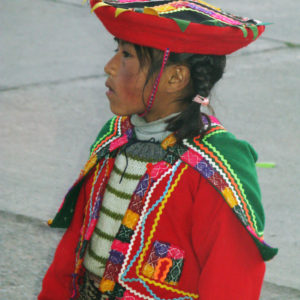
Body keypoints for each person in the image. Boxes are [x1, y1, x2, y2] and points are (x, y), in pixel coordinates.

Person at [39, 0, 278, 299]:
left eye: (126, 56)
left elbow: (232, 279)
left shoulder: (216, 165)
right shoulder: (113, 138)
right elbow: (76, 240)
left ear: (175, 78)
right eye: (117, 51)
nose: (110, 66)